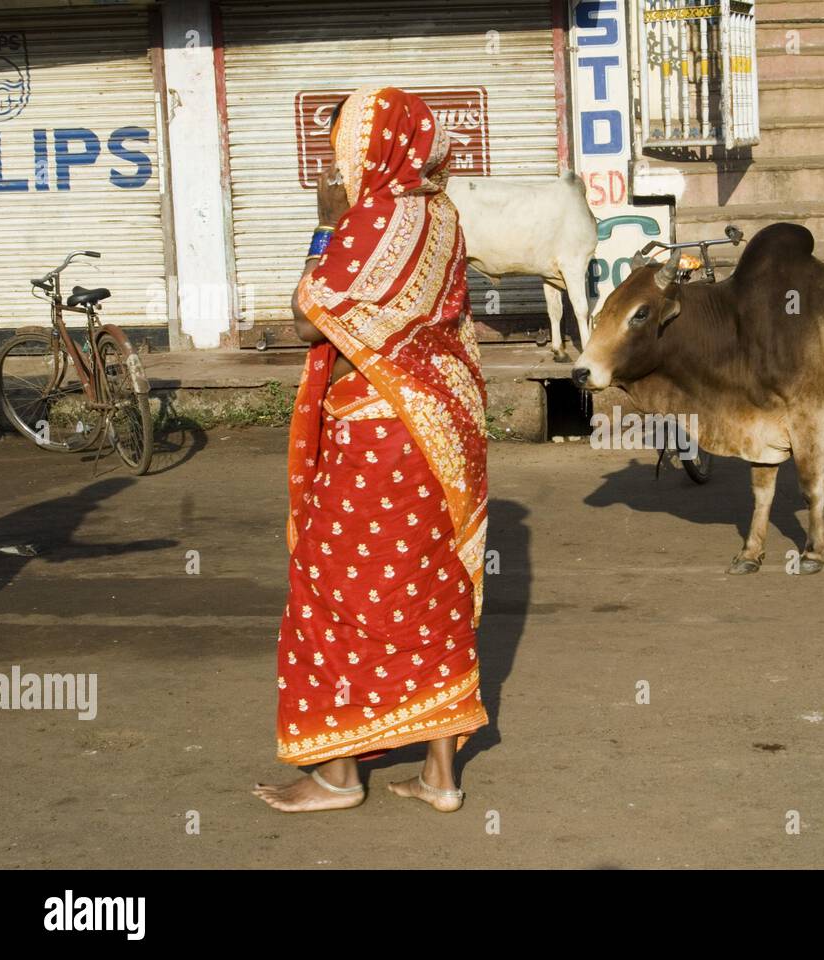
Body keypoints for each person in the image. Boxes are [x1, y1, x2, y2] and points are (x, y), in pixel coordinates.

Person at [253, 86, 489, 814]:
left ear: (374, 148)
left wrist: (325, 227)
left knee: (338, 591)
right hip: (445, 428)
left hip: (376, 430)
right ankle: (440, 777)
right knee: (432, 591)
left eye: (344, 150)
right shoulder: (443, 214)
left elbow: (309, 318)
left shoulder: (373, 217)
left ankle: (336, 776)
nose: (340, 165)